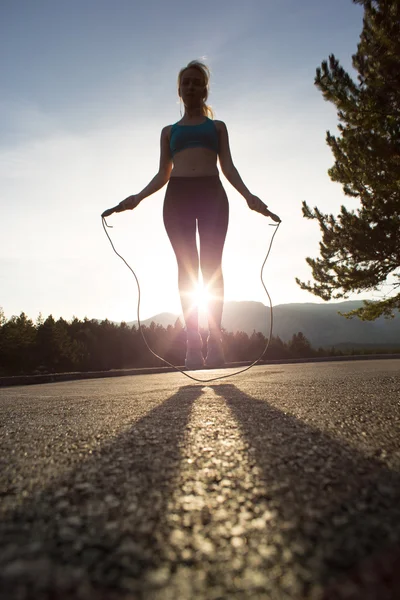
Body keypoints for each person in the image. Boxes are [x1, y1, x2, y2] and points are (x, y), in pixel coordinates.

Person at [105, 60, 275, 369]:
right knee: (187, 270)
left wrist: (249, 197)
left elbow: (229, 167)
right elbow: (162, 174)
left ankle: (217, 343)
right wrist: (138, 198)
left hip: (212, 195)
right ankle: (193, 344)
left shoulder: (218, 127)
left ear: (205, 89)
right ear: (180, 90)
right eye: (186, 83)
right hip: (177, 199)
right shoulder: (168, 132)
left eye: (197, 82)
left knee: (212, 269)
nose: (192, 87)